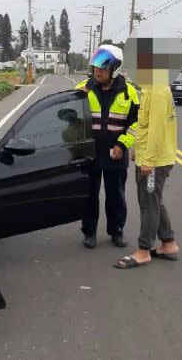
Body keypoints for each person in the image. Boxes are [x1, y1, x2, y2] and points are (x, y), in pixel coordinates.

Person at [74, 45, 139, 248]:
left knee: (116, 195)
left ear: (115, 69)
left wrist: (122, 144)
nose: (97, 70)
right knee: (89, 195)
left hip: (115, 154)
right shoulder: (83, 89)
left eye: (103, 66)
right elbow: (71, 119)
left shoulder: (129, 93)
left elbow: (136, 123)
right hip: (89, 153)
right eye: (96, 66)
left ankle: (116, 230)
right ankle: (89, 232)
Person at [114, 79, 179, 269]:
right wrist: (138, 148)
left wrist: (148, 159)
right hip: (150, 155)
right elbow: (146, 124)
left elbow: (158, 128)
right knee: (153, 201)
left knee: (148, 204)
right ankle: (168, 244)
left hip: (155, 161)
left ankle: (143, 251)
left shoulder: (157, 90)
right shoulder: (150, 87)